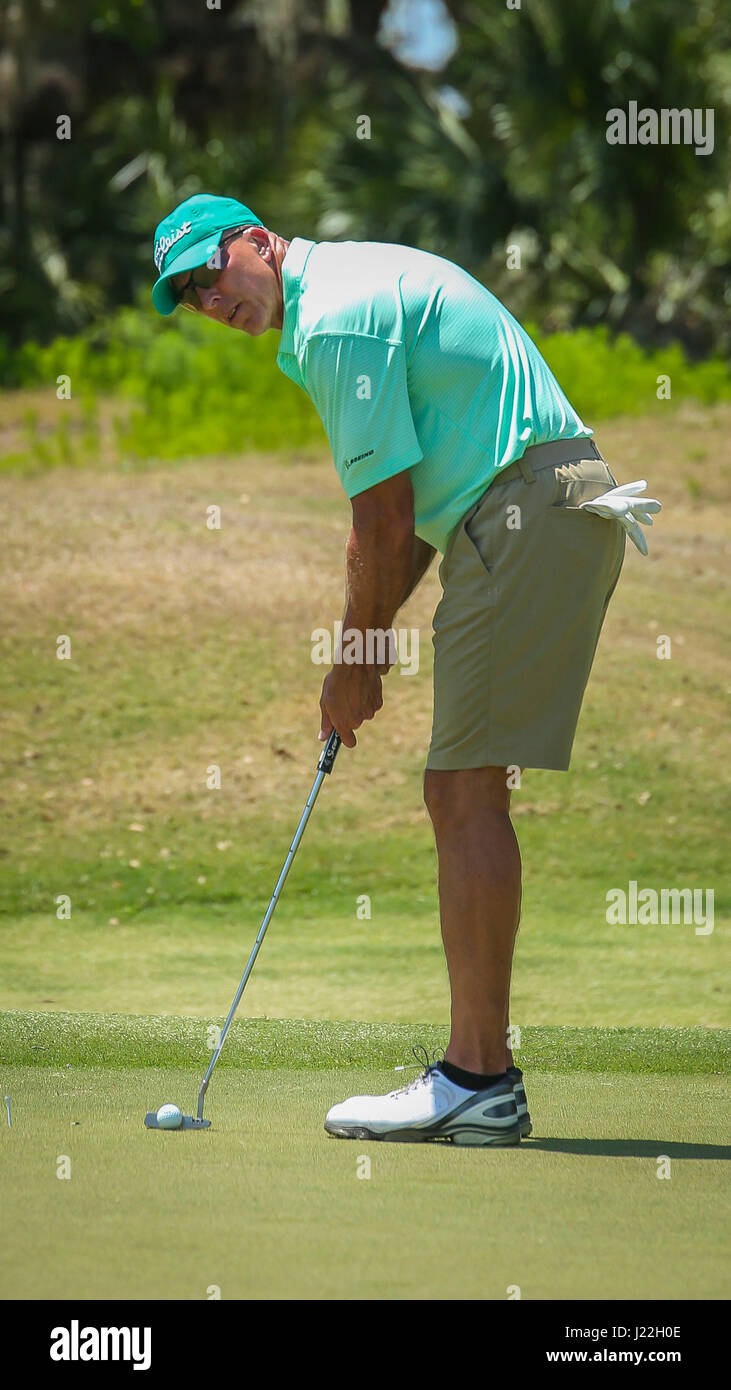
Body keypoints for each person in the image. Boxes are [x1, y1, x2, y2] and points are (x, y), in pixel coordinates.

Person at [151, 193, 660, 1147]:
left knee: (462, 787)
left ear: (256, 240)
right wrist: (372, 646)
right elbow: (416, 511)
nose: (209, 302)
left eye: (209, 274)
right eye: (189, 298)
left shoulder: (337, 318)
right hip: (526, 509)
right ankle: (480, 1078)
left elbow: (380, 519)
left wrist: (355, 659)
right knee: (460, 785)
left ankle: (476, 1080)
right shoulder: (343, 294)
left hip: (524, 511)